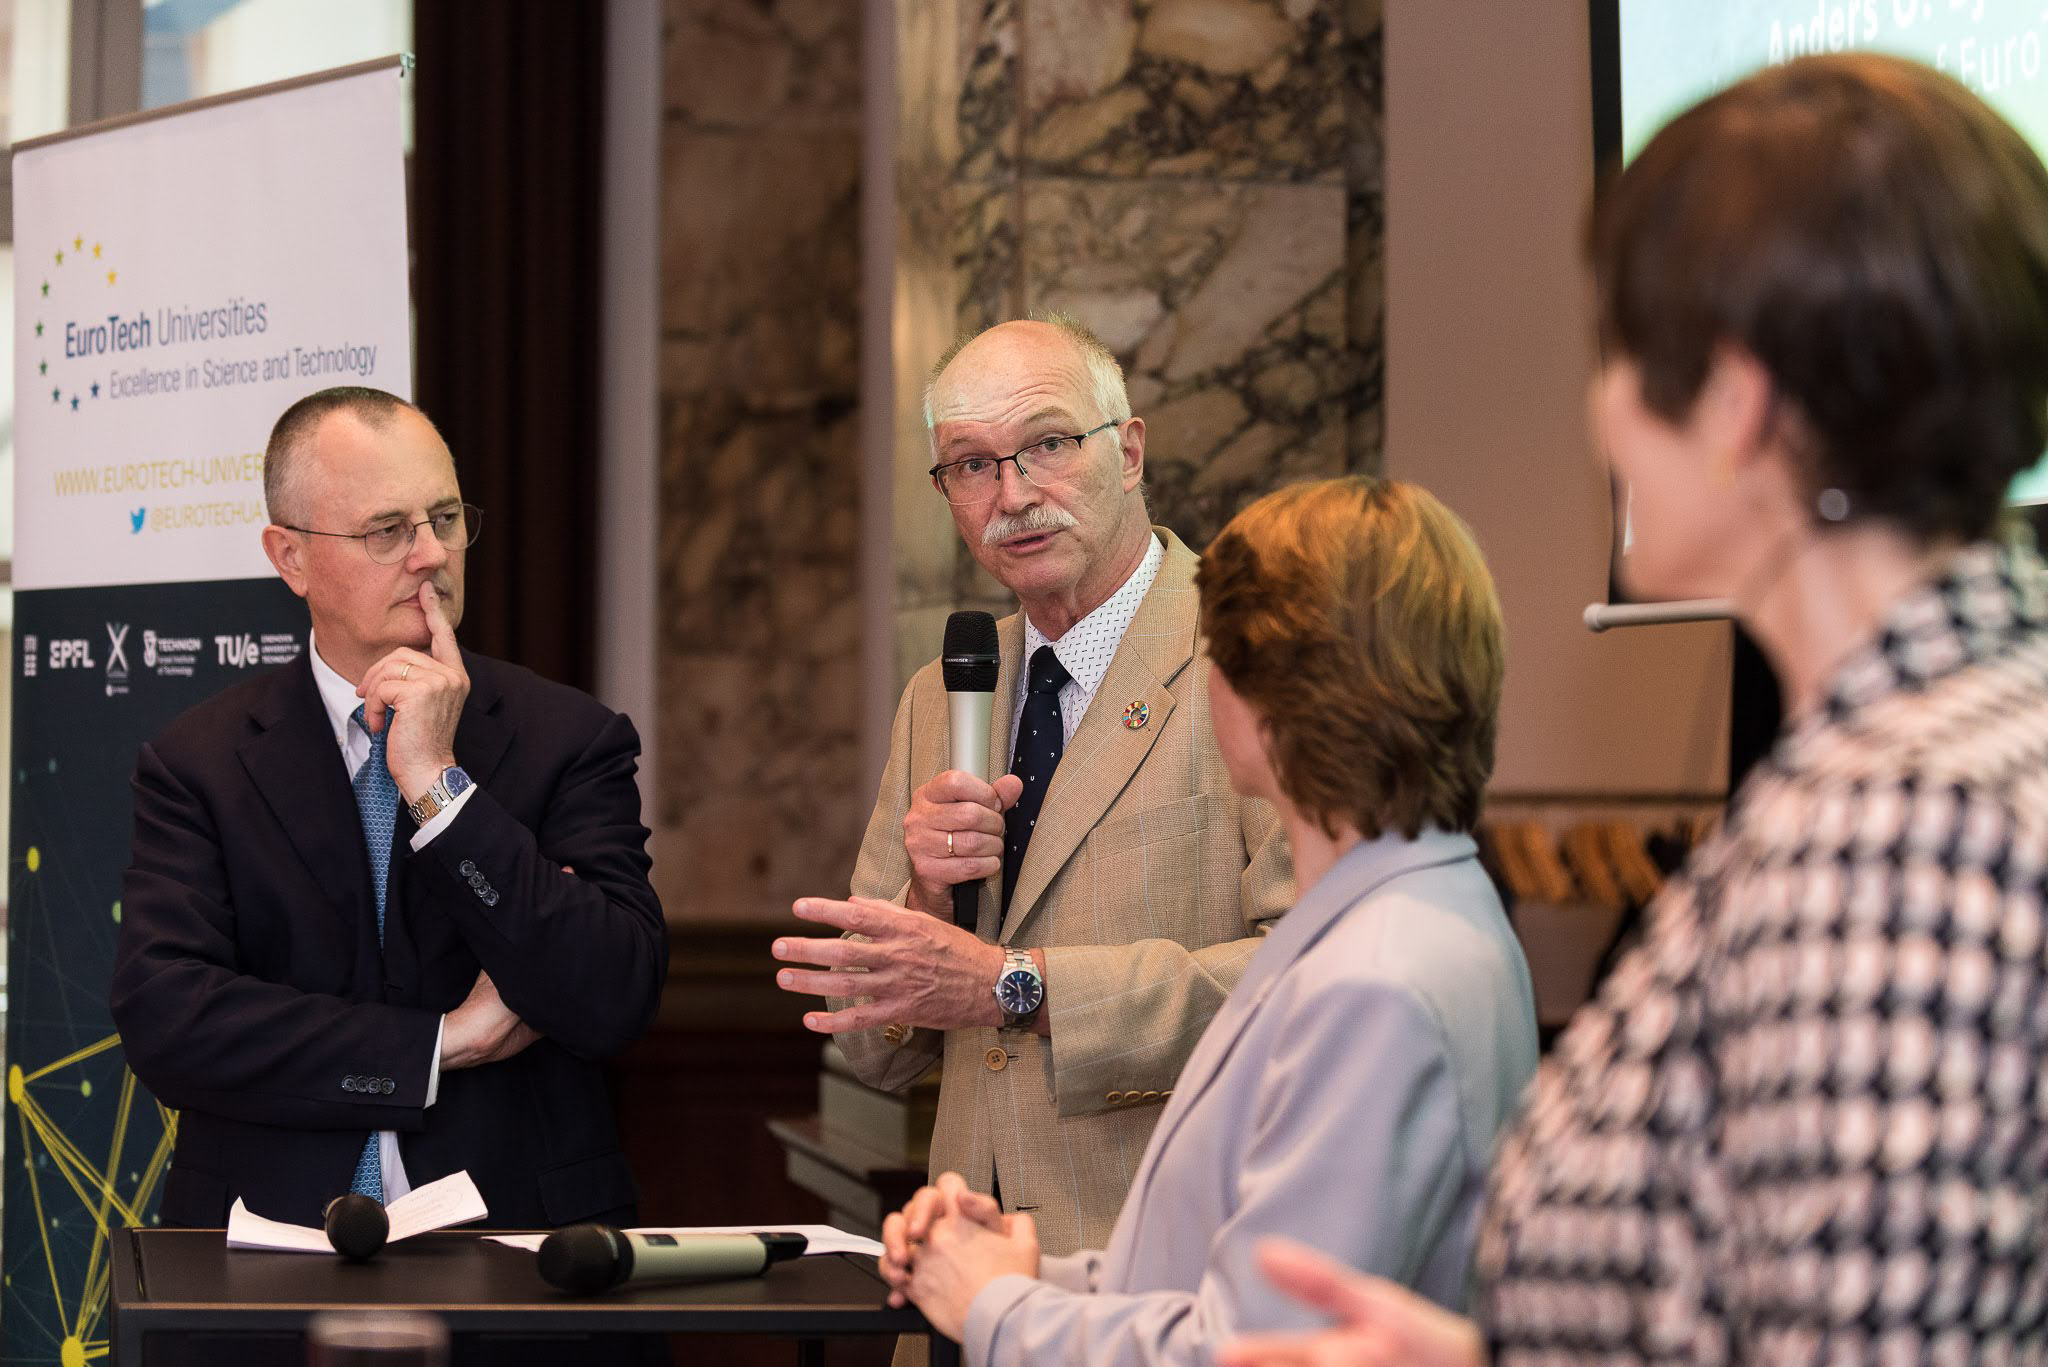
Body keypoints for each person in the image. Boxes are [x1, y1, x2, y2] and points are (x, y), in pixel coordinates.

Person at [1221, 52, 2048, 1366]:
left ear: (1735, 405)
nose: (1599, 413)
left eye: (1617, 354)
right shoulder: (1962, 732)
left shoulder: (1895, 832)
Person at [871, 476, 1538, 1366]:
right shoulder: (1417, 911)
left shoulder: (1374, 982)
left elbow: (1249, 1347)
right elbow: (1207, 1271)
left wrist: (997, 1306)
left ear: (1269, 700)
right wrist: (1029, 1273)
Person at [772, 315, 1295, 1261]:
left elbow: (1305, 982)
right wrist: (930, 896)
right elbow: (875, 1050)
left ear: (1128, 452)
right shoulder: (943, 693)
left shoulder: (1258, 654)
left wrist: (1018, 985)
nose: (1011, 495)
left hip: (1170, 1264)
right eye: (970, 465)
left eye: (1047, 445)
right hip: (968, 1265)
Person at [111, 386, 667, 1230]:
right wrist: (438, 1045)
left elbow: (611, 991)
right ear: (289, 556)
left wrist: (441, 787)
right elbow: (172, 1019)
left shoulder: (570, 738)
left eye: (445, 518)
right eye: (387, 530)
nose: (430, 554)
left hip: (524, 1256)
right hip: (265, 1258)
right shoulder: (199, 763)